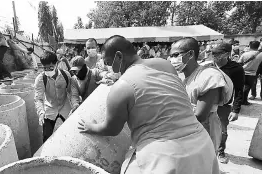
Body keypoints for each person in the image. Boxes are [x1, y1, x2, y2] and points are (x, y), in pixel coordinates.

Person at [78, 35, 219, 174]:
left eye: (109, 63)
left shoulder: (121, 88)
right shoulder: (165, 65)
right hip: (201, 146)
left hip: (165, 157)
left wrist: (91, 127)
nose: (109, 68)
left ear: (119, 57)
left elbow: (112, 129)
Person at [170, 37, 234, 153]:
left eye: (175, 55)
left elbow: (200, 116)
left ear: (190, 54)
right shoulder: (180, 76)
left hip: (202, 133)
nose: (172, 59)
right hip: (183, 132)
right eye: (171, 56)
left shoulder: (209, 77)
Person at [34, 51, 80, 142]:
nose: (47, 70)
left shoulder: (65, 75)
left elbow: (72, 91)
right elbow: (38, 98)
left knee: (72, 132)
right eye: (45, 68)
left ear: (56, 64)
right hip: (50, 108)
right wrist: (41, 111)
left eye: (50, 67)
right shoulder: (40, 79)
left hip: (65, 107)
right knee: (46, 136)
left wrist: (75, 104)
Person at [211, 42, 245, 163]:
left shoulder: (236, 69)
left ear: (226, 54)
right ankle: (208, 150)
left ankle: (220, 151)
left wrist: (236, 110)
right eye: (212, 53)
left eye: (217, 53)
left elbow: (239, 90)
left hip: (224, 106)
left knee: (222, 131)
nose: (214, 55)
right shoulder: (209, 66)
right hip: (208, 103)